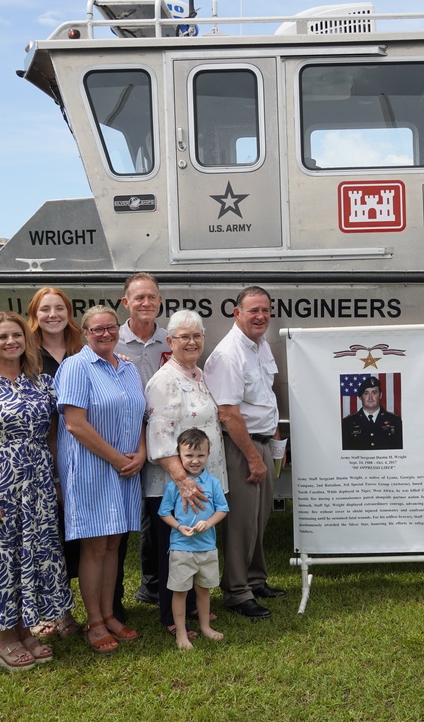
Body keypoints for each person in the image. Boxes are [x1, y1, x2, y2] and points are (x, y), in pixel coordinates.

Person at [0, 311, 73, 672]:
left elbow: (52, 436)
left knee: (32, 556)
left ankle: (26, 630)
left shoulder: (41, 384)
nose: (10, 342)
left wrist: (55, 480)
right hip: (0, 485)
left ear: (27, 340)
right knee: (1, 560)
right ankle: (6, 639)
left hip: (37, 484)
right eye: (2, 337)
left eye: (16, 336)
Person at [55, 304, 146, 654]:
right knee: (94, 547)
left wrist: (139, 452)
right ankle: (93, 622)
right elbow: (75, 424)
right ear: (84, 333)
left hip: (126, 467)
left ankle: (109, 615)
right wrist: (116, 459)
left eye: (111, 328)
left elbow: (137, 413)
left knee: (113, 545)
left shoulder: (127, 368)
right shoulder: (76, 367)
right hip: (92, 468)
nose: (106, 334)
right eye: (98, 329)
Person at [204, 285, 286, 619]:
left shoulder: (259, 345)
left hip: (263, 442)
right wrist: (253, 457)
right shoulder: (229, 354)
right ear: (236, 313)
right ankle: (237, 592)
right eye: (253, 310)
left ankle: (255, 580)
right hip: (242, 447)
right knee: (240, 522)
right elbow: (228, 413)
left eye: (265, 310)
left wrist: (276, 445)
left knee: (259, 517)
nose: (260, 316)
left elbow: (267, 397)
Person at [145, 309, 227, 639]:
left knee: (197, 547)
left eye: (197, 336)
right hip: (174, 486)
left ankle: (193, 606)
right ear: (170, 341)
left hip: (201, 482)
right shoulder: (165, 381)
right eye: (184, 337)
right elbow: (160, 439)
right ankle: (170, 615)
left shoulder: (197, 373)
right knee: (175, 552)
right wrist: (184, 482)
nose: (192, 342)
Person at [115, 272, 171, 614]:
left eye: (151, 297)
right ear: (126, 303)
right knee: (120, 519)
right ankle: (113, 602)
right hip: (124, 441)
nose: (146, 303)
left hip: (162, 440)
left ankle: (153, 585)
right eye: (139, 298)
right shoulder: (110, 340)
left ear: (160, 301)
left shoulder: (170, 340)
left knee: (157, 511)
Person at [158, 428, 229, 649]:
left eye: (200, 455)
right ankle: (181, 634)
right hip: (181, 548)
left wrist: (208, 523)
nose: (195, 461)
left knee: (204, 590)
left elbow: (222, 509)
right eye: (189, 455)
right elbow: (164, 513)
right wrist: (179, 527)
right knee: (179, 591)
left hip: (207, 547)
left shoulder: (213, 484)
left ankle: (205, 626)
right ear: (179, 456)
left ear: (208, 455)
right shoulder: (174, 485)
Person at [341, 375, 403, 450]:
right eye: (366, 393)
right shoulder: (348, 423)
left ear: (380, 395)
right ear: (360, 397)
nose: (370, 397)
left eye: (374, 393)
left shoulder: (395, 421)